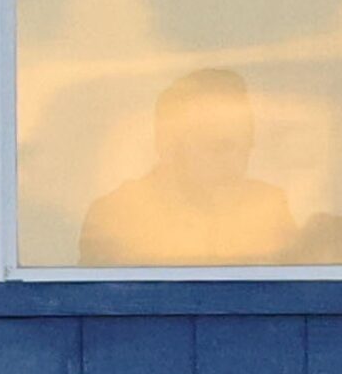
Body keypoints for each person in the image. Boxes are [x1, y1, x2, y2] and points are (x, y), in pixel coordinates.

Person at [78, 67, 302, 268]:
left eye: (245, 141)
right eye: (217, 144)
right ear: (168, 142)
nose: (235, 157)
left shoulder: (269, 207)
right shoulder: (118, 215)